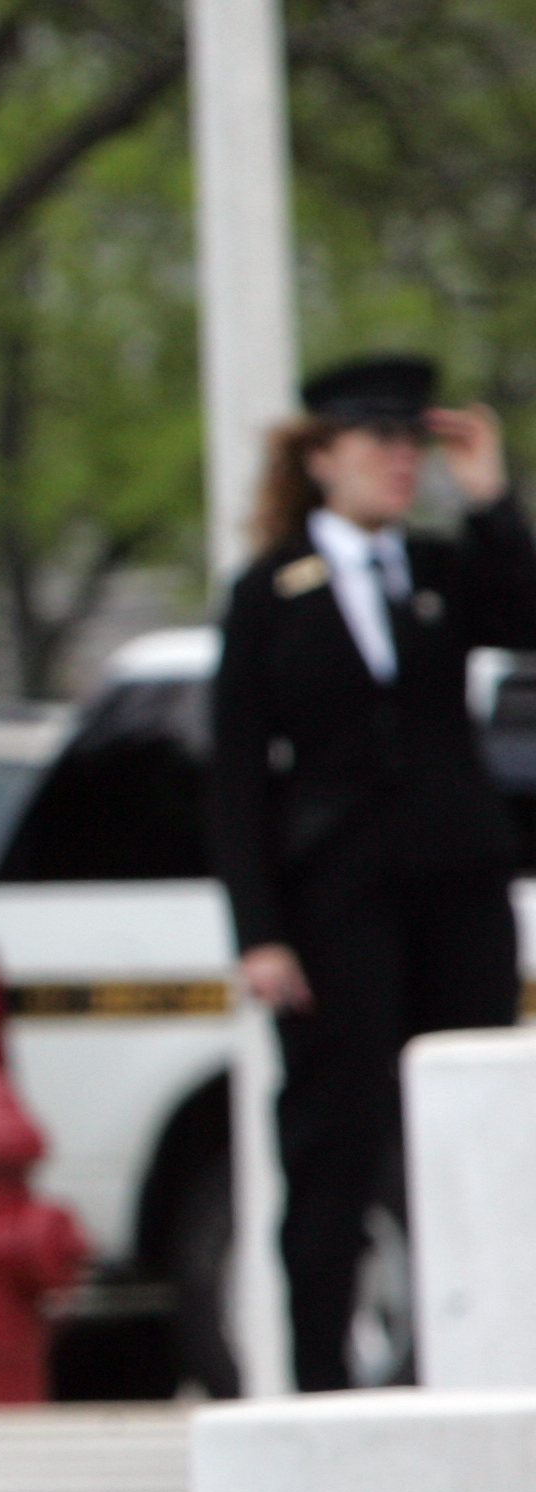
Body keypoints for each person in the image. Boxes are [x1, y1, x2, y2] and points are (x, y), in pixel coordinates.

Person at [210, 354, 536, 1393]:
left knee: (468, 1126)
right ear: (324, 456)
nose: (403, 461)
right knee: (336, 1139)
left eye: (414, 442)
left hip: (458, 886)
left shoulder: (442, 569)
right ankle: (320, 1381)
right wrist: (260, 929)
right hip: (337, 901)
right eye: (380, 442)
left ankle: (481, 1364)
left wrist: (490, 496)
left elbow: (527, 615)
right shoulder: (273, 591)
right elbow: (233, 774)